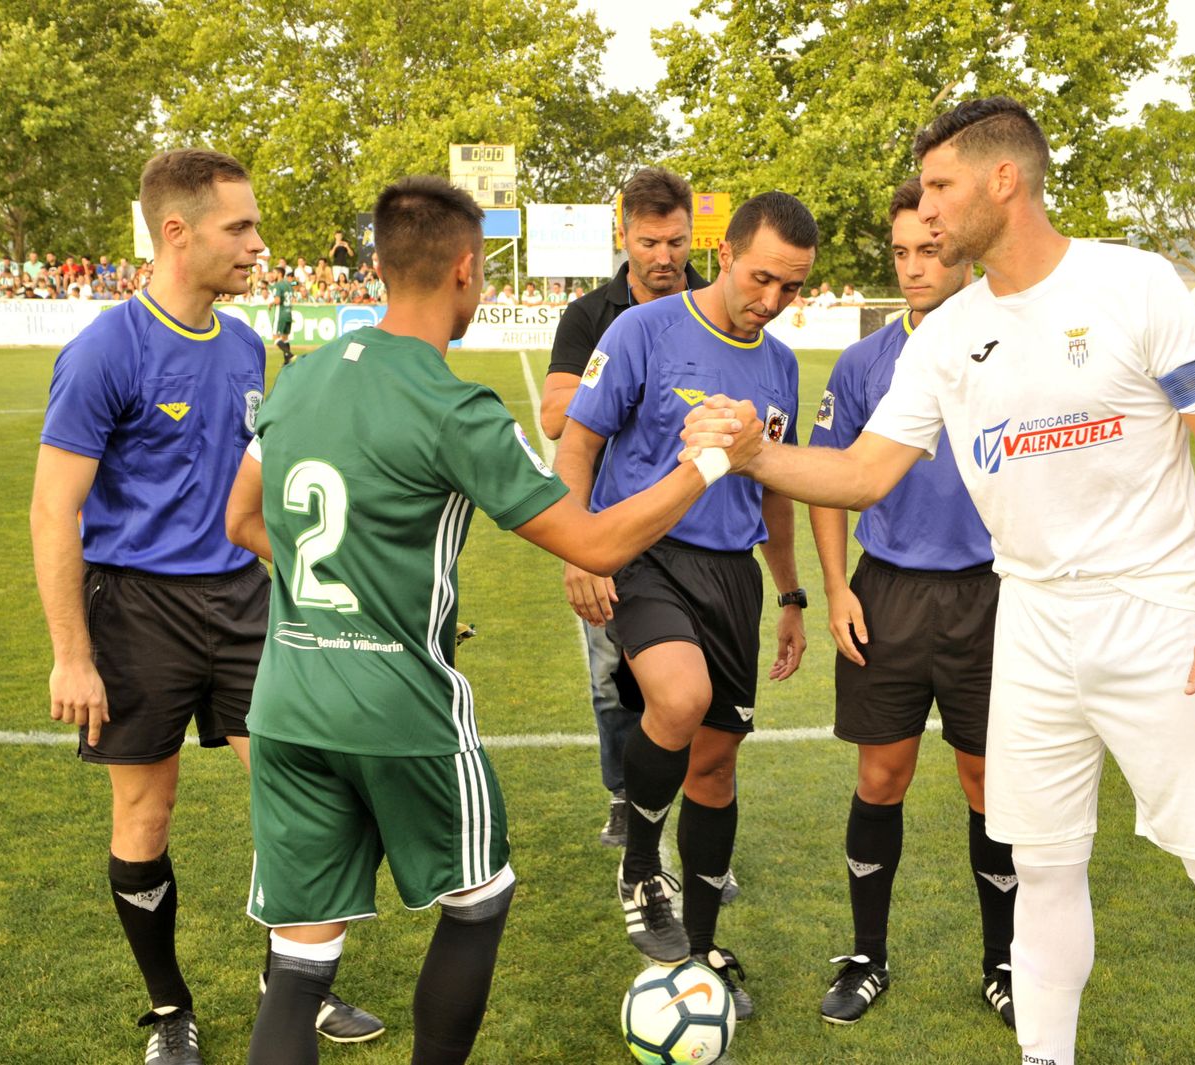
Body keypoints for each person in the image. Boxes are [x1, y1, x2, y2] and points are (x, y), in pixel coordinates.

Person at [682, 96, 1195, 1065]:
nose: (925, 210)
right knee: (1043, 869)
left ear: (1002, 179)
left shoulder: (1132, 284)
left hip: (1156, 617)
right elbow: (861, 474)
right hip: (1031, 625)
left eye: (939, 186)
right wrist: (755, 454)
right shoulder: (945, 336)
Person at [227, 175, 759, 1065]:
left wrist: (344, 586)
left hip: (286, 702)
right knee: (479, 899)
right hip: (400, 708)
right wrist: (707, 465)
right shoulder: (456, 408)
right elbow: (594, 540)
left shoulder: (301, 377)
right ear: (466, 269)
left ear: (380, 265)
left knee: (301, 958)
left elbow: (241, 520)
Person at [31, 148, 383, 1065]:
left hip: (243, 600)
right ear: (178, 232)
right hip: (136, 610)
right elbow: (53, 508)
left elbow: (252, 496)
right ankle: (169, 1009)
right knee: (146, 812)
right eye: (242, 227)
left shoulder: (243, 345)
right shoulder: (105, 350)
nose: (259, 244)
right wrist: (72, 654)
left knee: (307, 794)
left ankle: (289, 982)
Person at [559, 190, 818, 1020]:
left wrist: (790, 593)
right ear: (728, 253)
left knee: (714, 764)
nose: (772, 299)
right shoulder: (643, 330)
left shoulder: (781, 365)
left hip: (732, 573)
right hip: (645, 556)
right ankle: (641, 863)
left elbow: (775, 489)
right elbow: (578, 444)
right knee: (679, 698)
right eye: (762, 277)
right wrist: (579, 548)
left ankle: (702, 949)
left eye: (791, 287)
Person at [809, 177, 1016, 1029]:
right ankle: (868, 956)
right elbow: (829, 480)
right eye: (901, 253)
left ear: (963, 250)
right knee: (881, 775)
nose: (914, 267)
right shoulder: (864, 363)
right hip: (887, 592)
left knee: (989, 782)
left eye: (929, 250)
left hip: (990, 595)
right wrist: (834, 587)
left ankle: (1005, 963)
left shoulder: (1011, 347)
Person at [539, 166, 709, 850]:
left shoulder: (715, 304)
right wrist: (622, 378)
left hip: (700, 539)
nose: (664, 257)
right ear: (623, 236)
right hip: (611, 533)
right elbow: (556, 418)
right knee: (613, 683)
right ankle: (622, 794)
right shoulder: (590, 316)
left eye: (676, 241)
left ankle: (695, 819)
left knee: (697, 692)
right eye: (648, 242)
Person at [269, 267, 298, 364]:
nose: (272, 275)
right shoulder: (289, 284)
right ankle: (287, 361)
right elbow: (297, 284)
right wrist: (295, 280)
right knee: (285, 337)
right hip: (289, 313)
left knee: (275, 337)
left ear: (279, 274)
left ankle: (289, 354)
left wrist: (271, 303)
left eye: (274, 273)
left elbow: (277, 301)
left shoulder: (278, 285)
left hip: (280, 313)